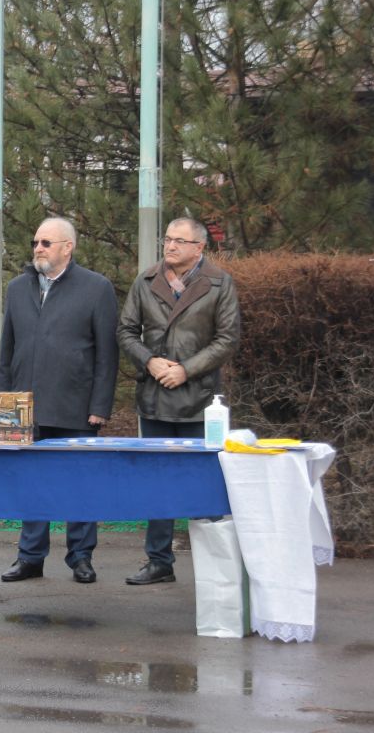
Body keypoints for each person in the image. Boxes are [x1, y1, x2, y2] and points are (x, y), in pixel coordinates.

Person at [117, 217, 240, 585]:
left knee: (203, 481)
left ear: (199, 247)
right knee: (158, 482)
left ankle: (214, 565)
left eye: (179, 241)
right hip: (154, 396)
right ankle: (159, 561)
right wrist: (149, 360)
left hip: (199, 400)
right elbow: (125, 331)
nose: (170, 246)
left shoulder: (219, 283)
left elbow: (228, 338)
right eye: (167, 239)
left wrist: (186, 370)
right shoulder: (146, 280)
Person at [0, 217, 118, 585]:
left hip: (75, 405)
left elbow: (106, 355)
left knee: (78, 484)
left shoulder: (97, 288)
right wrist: (4, 405)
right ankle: (30, 557)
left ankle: (81, 557)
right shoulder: (18, 289)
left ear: (68, 247)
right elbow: (7, 350)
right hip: (25, 406)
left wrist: (100, 405)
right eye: (36, 242)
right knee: (32, 485)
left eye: (47, 242)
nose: (38, 248)